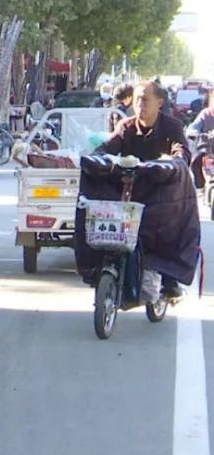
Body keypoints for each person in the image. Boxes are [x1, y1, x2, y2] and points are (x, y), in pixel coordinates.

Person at [93, 80, 192, 299]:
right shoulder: (126, 126)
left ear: (160, 102)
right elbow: (108, 147)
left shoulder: (172, 127)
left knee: (170, 228)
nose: (140, 104)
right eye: (137, 99)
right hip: (132, 190)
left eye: (145, 99)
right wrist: (97, 156)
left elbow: (181, 151)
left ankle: (169, 280)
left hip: (163, 192)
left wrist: (174, 161)